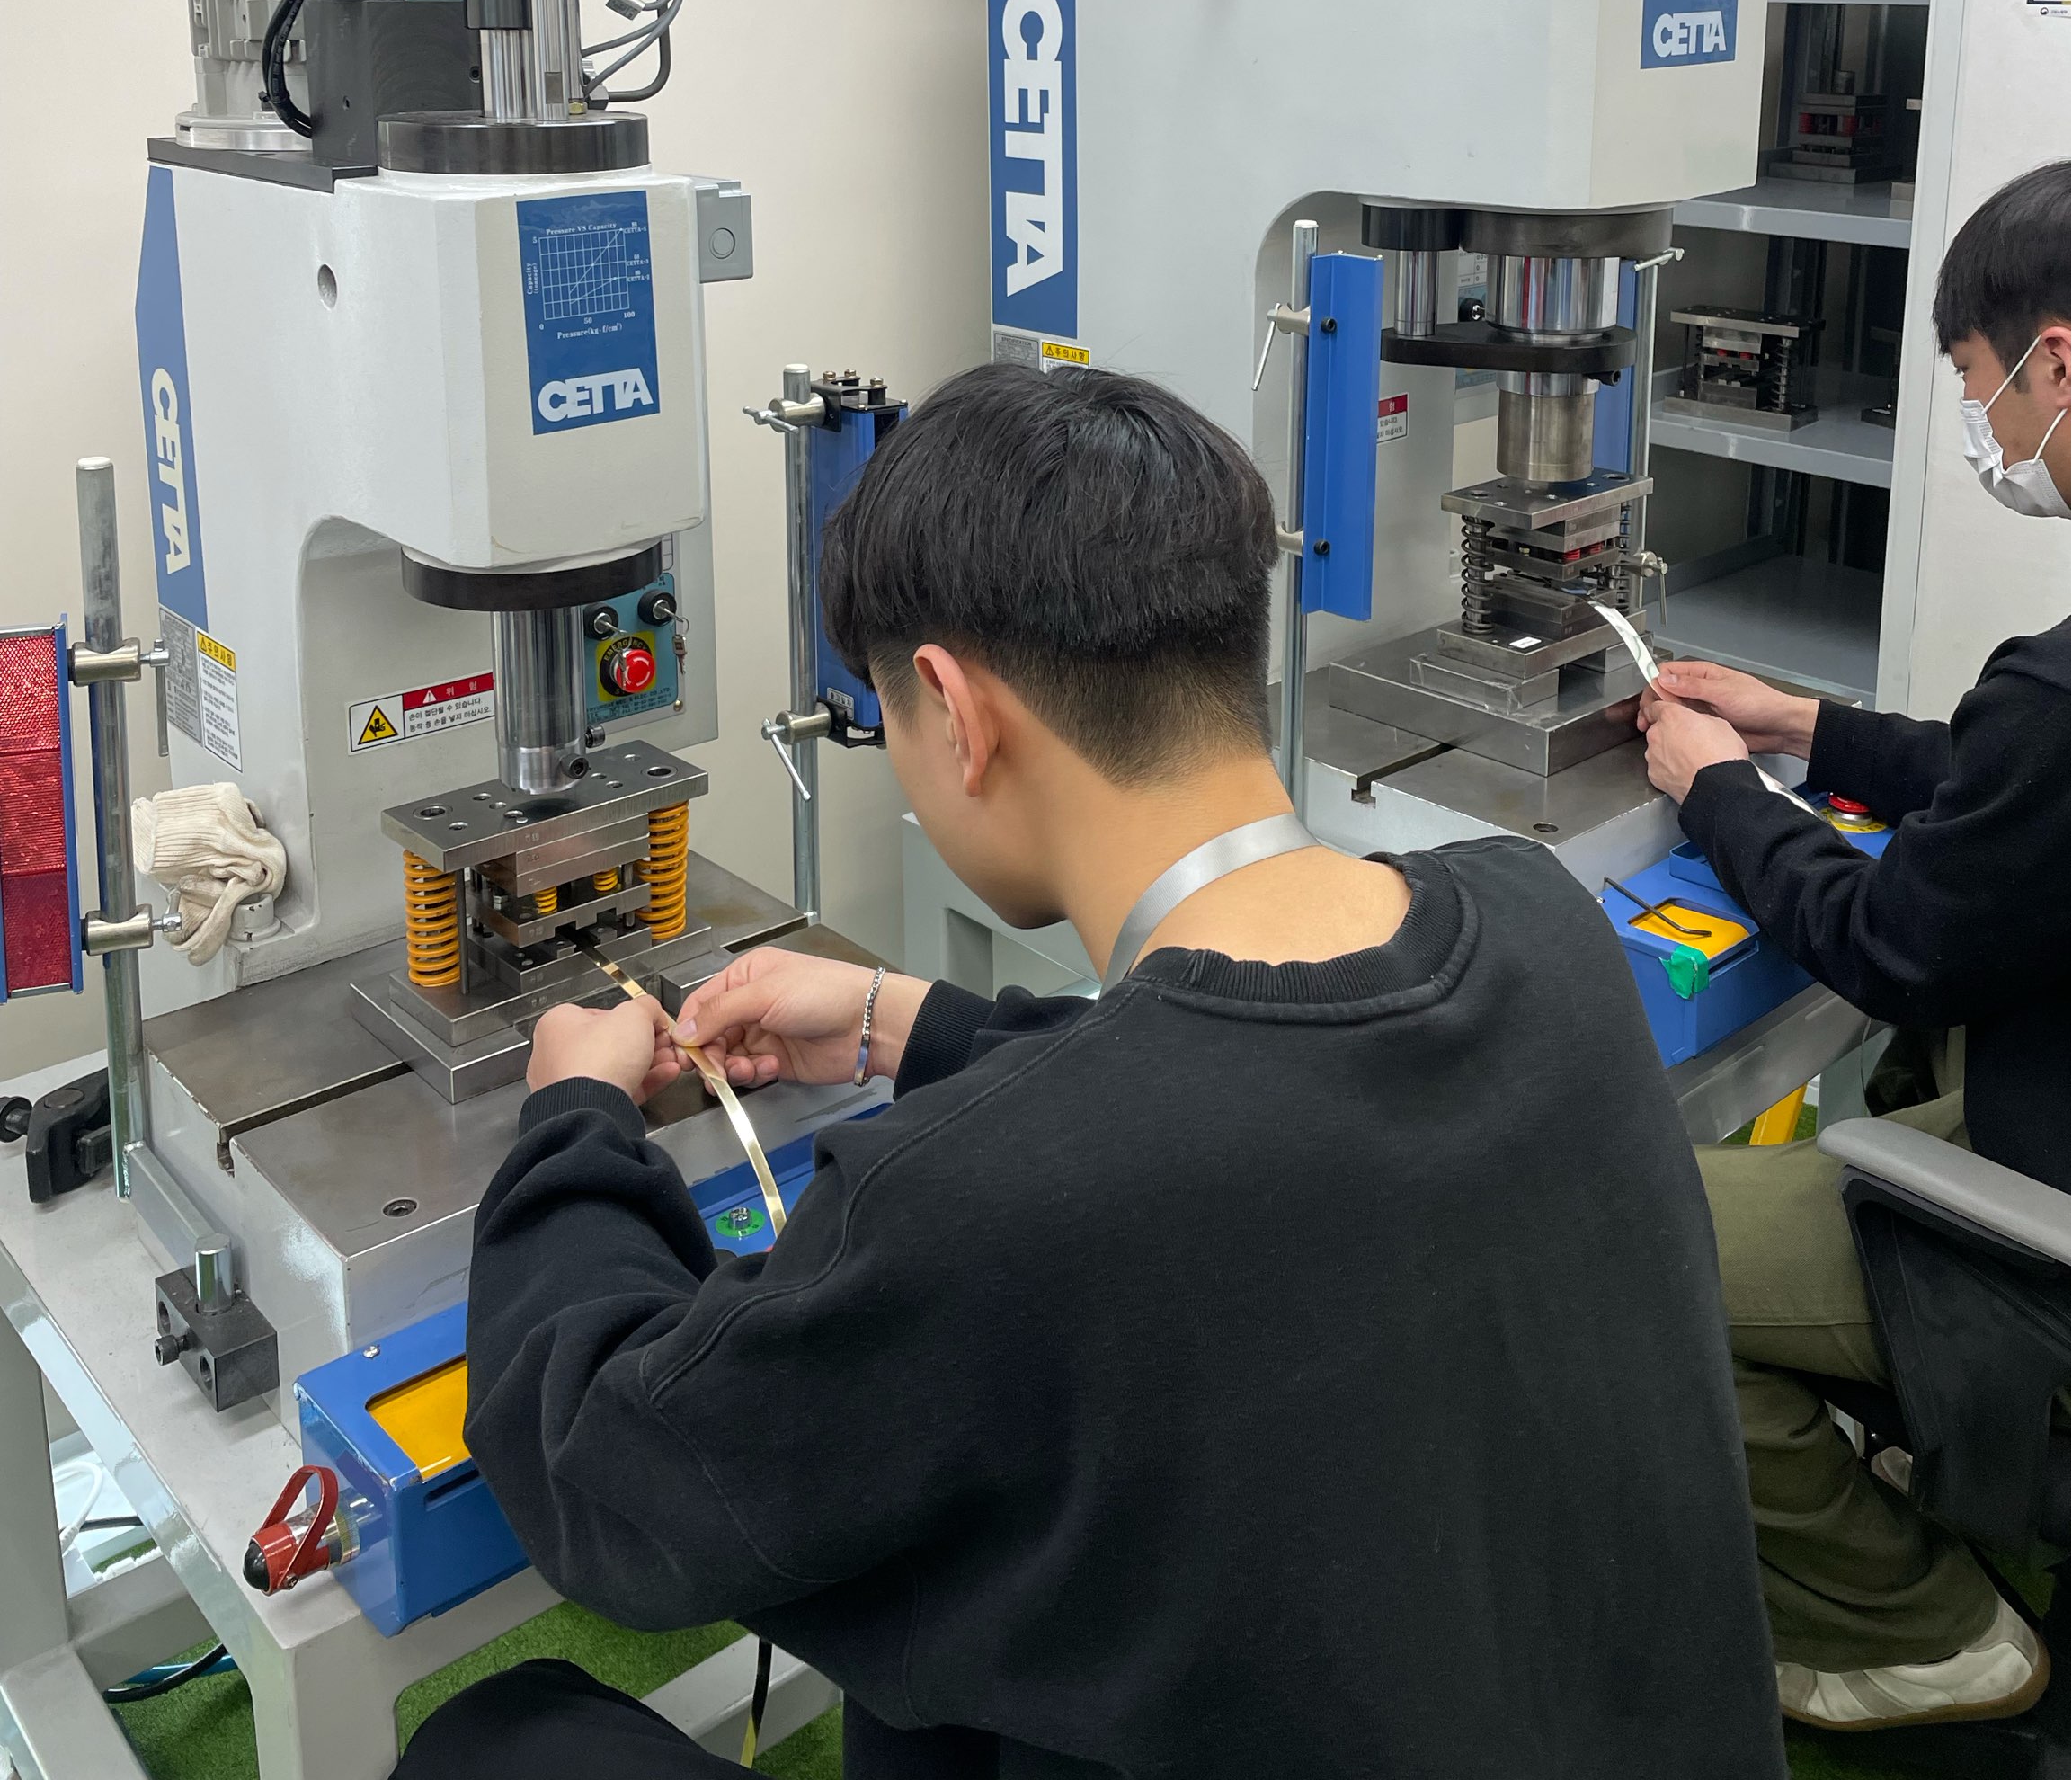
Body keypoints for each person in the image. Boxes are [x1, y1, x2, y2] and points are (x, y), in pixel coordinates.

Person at [400, 363, 1786, 1780]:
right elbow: (1240, 1109)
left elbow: (609, 1481)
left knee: (498, 1741)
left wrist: (571, 1114)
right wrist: (906, 1024)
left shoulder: (972, 1206)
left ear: (955, 712)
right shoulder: (1539, 921)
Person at [1639, 156, 2070, 1738]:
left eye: (1970, 384)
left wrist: (1715, 794)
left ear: (2054, 362)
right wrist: (1800, 727)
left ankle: (1924, 1631)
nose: (1980, 429)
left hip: (2047, 1203)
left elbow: (1889, 946)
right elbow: (2016, 794)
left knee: (1623, 1231)